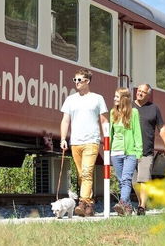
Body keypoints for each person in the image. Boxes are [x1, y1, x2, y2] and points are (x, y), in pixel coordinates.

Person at [60, 68, 108, 217]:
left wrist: (107, 139)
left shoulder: (97, 98)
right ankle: (90, 205)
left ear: (87, 81)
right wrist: (63, 138)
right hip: (75, 142)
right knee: (82, 175)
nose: (76, 83)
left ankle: (82, 202)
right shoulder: (70, 99)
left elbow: (104, 120)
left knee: (87, 173)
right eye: (75, 80)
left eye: (79, 80)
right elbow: (65, 120)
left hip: (91, 141)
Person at [132, 84, 165, 216]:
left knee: (144, 180)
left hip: (146, 150)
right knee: (133, 182)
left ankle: (142, 206)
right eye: (139, 91)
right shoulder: (129, 106)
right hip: (130, 150)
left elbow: (162, 127)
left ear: (148, 95)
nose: (140, 94)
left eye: (143, 92)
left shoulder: (154, 109)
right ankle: (141, 202)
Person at [110, 87, 143, 216]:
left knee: (126, 179)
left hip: (130, 152)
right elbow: (110, 133)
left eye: (117, 97)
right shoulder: (113, 112)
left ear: (124, 99)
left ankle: (123, 203)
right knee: (121, 180)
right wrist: (108, 150)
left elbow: (137, 132)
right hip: (116, 152)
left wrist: (138, 151)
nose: (114, 99)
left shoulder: (133, 112)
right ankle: (128, 208)